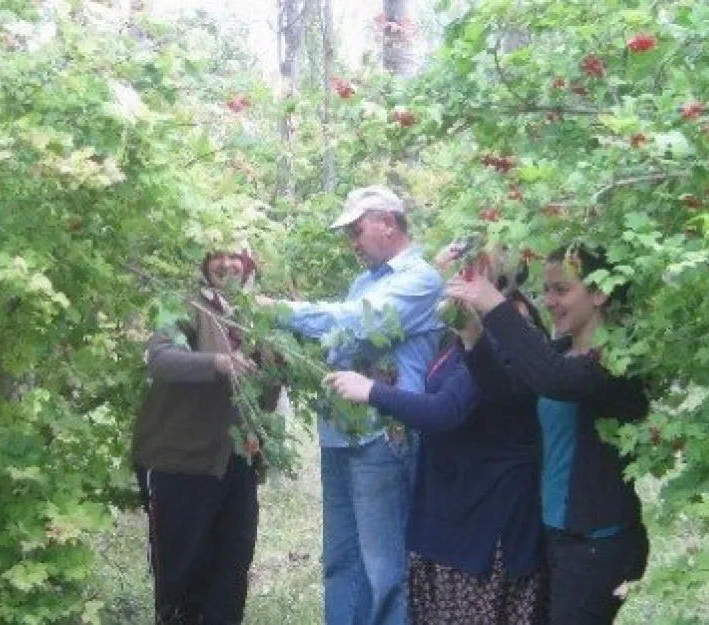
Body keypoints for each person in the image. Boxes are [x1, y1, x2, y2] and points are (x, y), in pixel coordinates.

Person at [324, 244, 548, 625]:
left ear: (500, 274)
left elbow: (448, 410)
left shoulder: (509, 327)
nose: (461, 272)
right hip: (455, 504)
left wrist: (372, 391)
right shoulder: (466, 325)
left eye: (474, 265)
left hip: (487, 514)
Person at [257, 186, 444, 625]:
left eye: (356, 231)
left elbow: (358, 323)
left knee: (385, 568)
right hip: (340, 435)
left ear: (388, 223)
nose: (352, 244)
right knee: (341, 561)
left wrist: (280, 310)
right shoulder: (366, 280)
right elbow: (336, 343)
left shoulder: (420, 279)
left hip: (384, 437)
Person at [445, 244, 650, 625]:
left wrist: (496, 305)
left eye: (561, 289)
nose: (549, 301)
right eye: (547, 290)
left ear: (599, 292)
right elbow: (506, 390)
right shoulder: (562, 351)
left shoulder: (618, 362)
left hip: (596, 544)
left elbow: (555, 380)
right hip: (556, 534)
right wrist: (473, 335)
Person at [132, 250, 282, 625]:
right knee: (182, 573)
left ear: (249, 265)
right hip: (182, 460)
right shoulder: (183, 304)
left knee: (232, 568)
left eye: (238, 257)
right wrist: (216, 363)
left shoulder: (256, 316)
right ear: (203, 262)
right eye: (219, 255)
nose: (228, 264)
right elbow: (160, 358)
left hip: (237, 462)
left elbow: (269, 385)